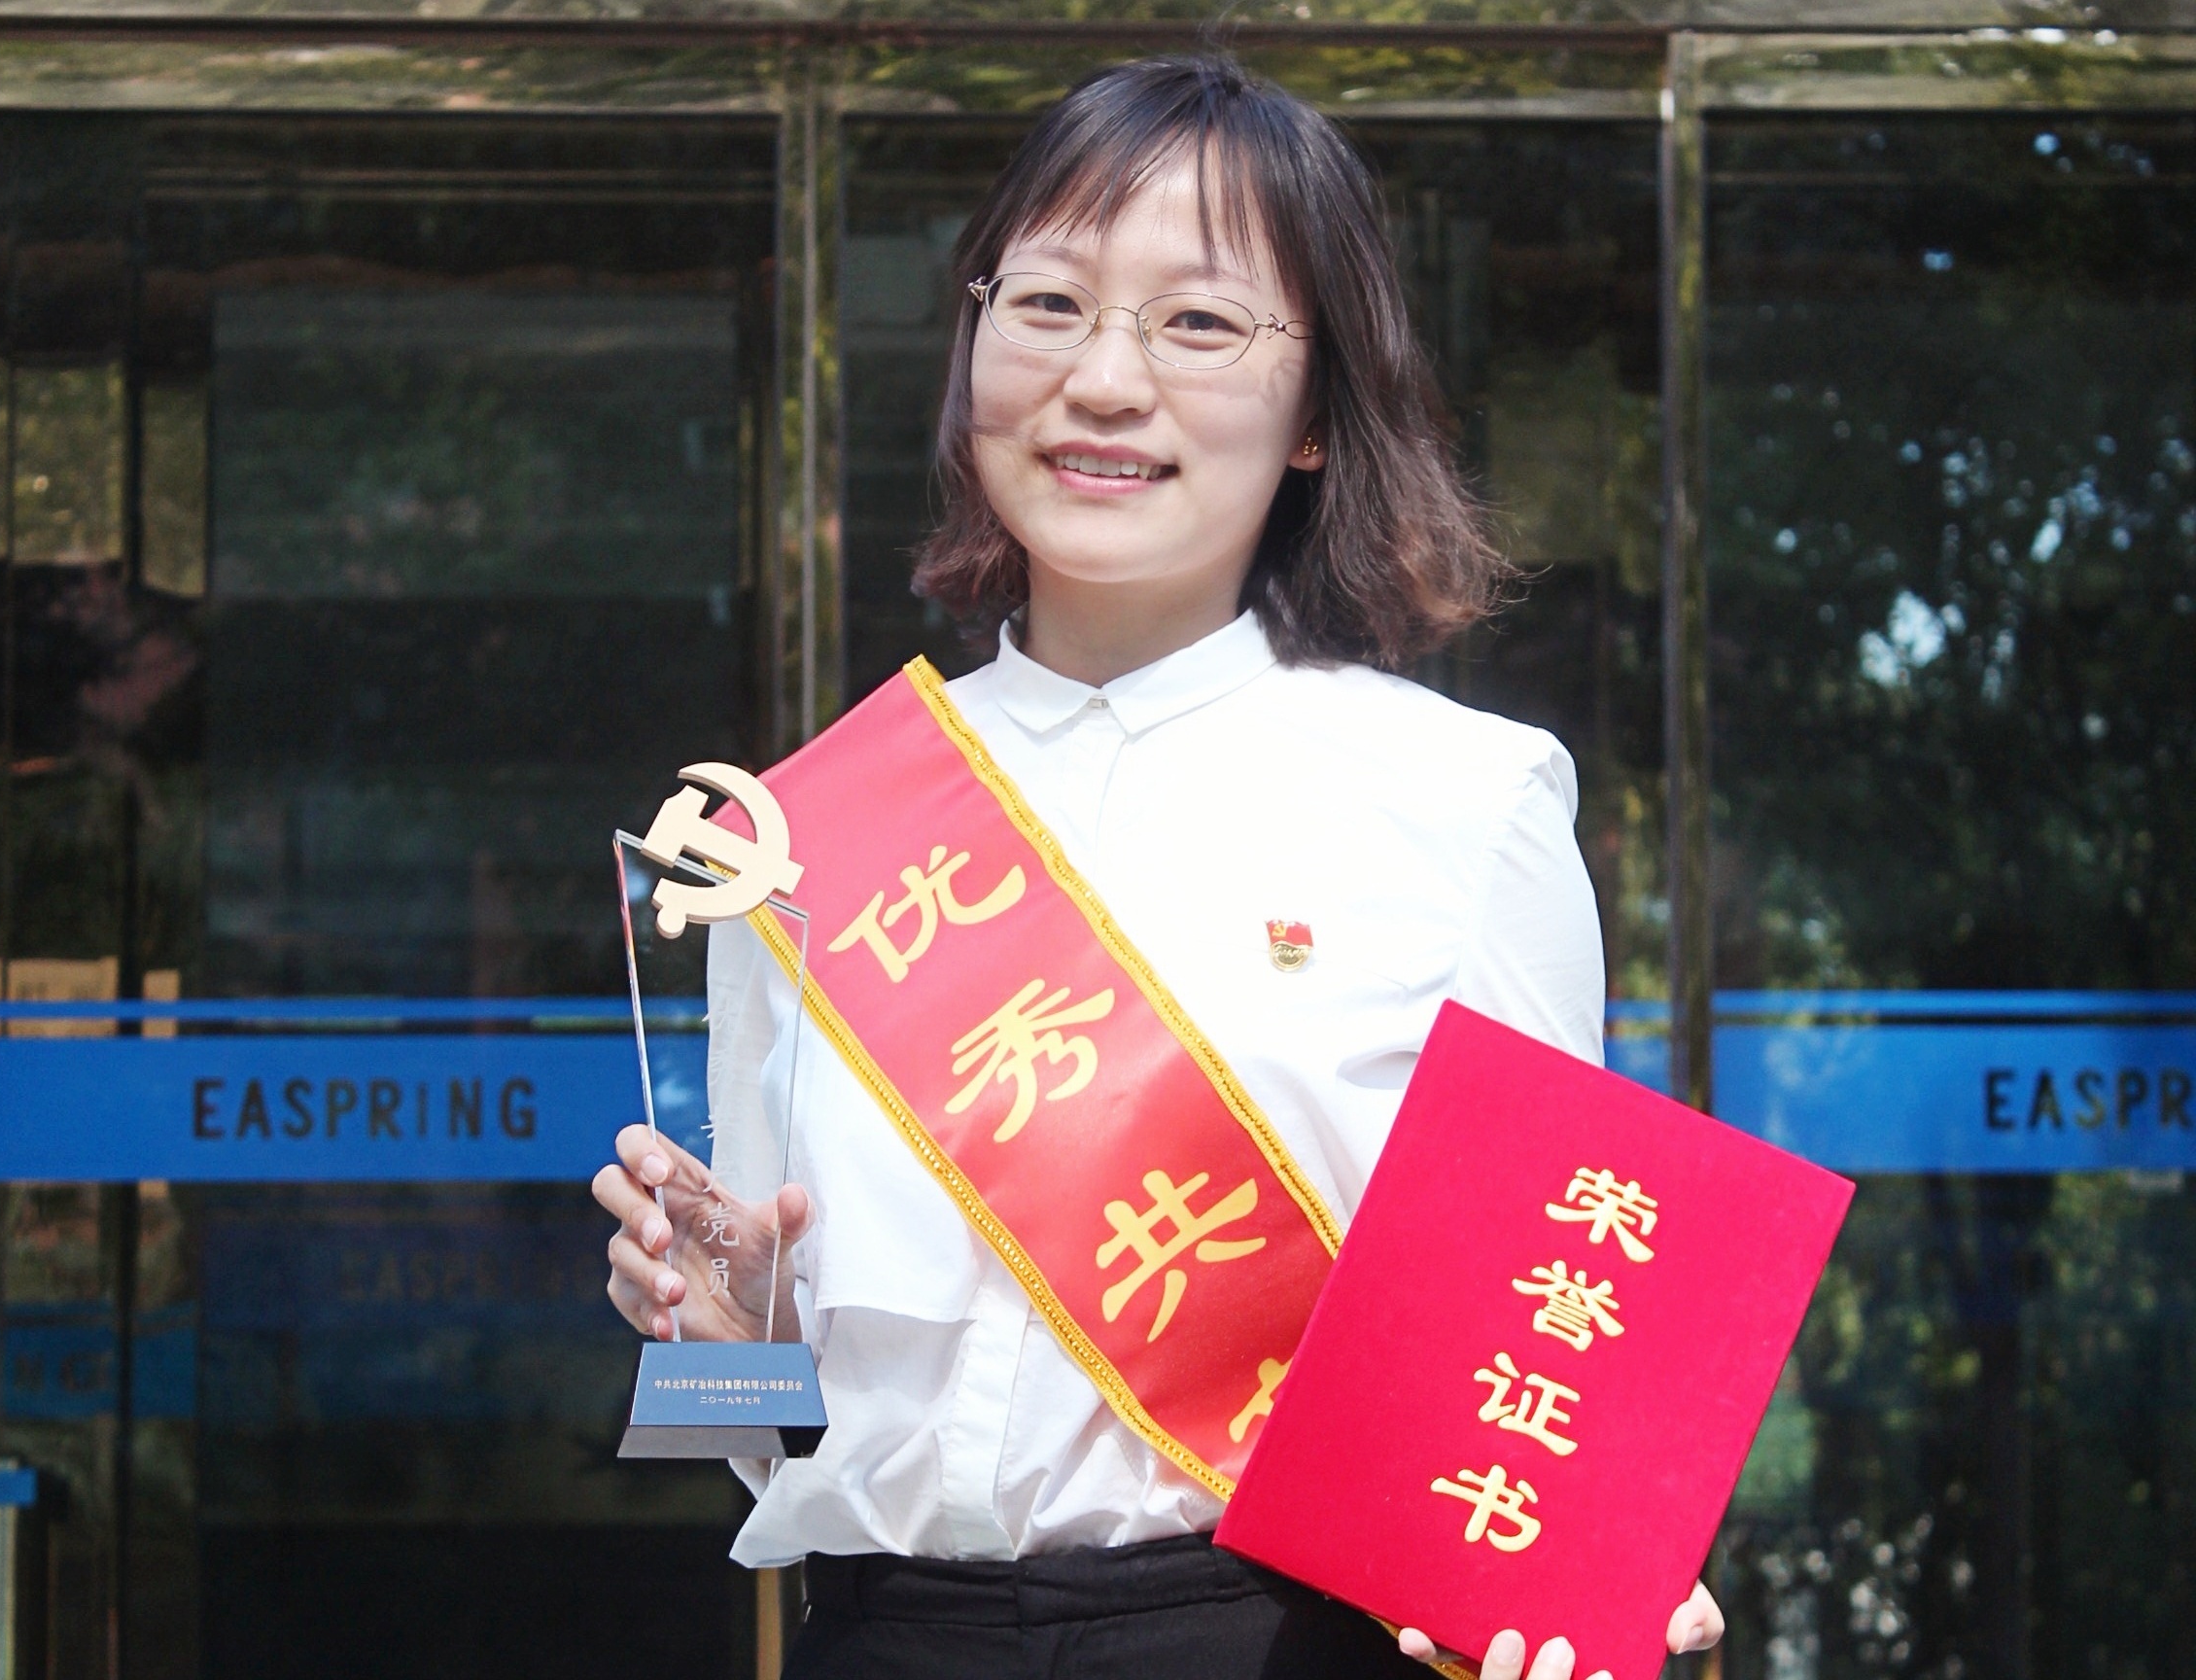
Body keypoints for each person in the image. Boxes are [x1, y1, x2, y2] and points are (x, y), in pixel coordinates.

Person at [596, 53, 1725, 1680]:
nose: (1105, 381)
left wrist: (1593, 1563)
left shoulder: (1465, 807)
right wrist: (741, 1333)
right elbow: (778, 1441)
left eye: (1199, 322)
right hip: (887, 1639)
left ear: (1320, 409)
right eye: (1048, 304)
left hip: (1271, 1643)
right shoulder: (798, 834)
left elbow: (1539, 1346)